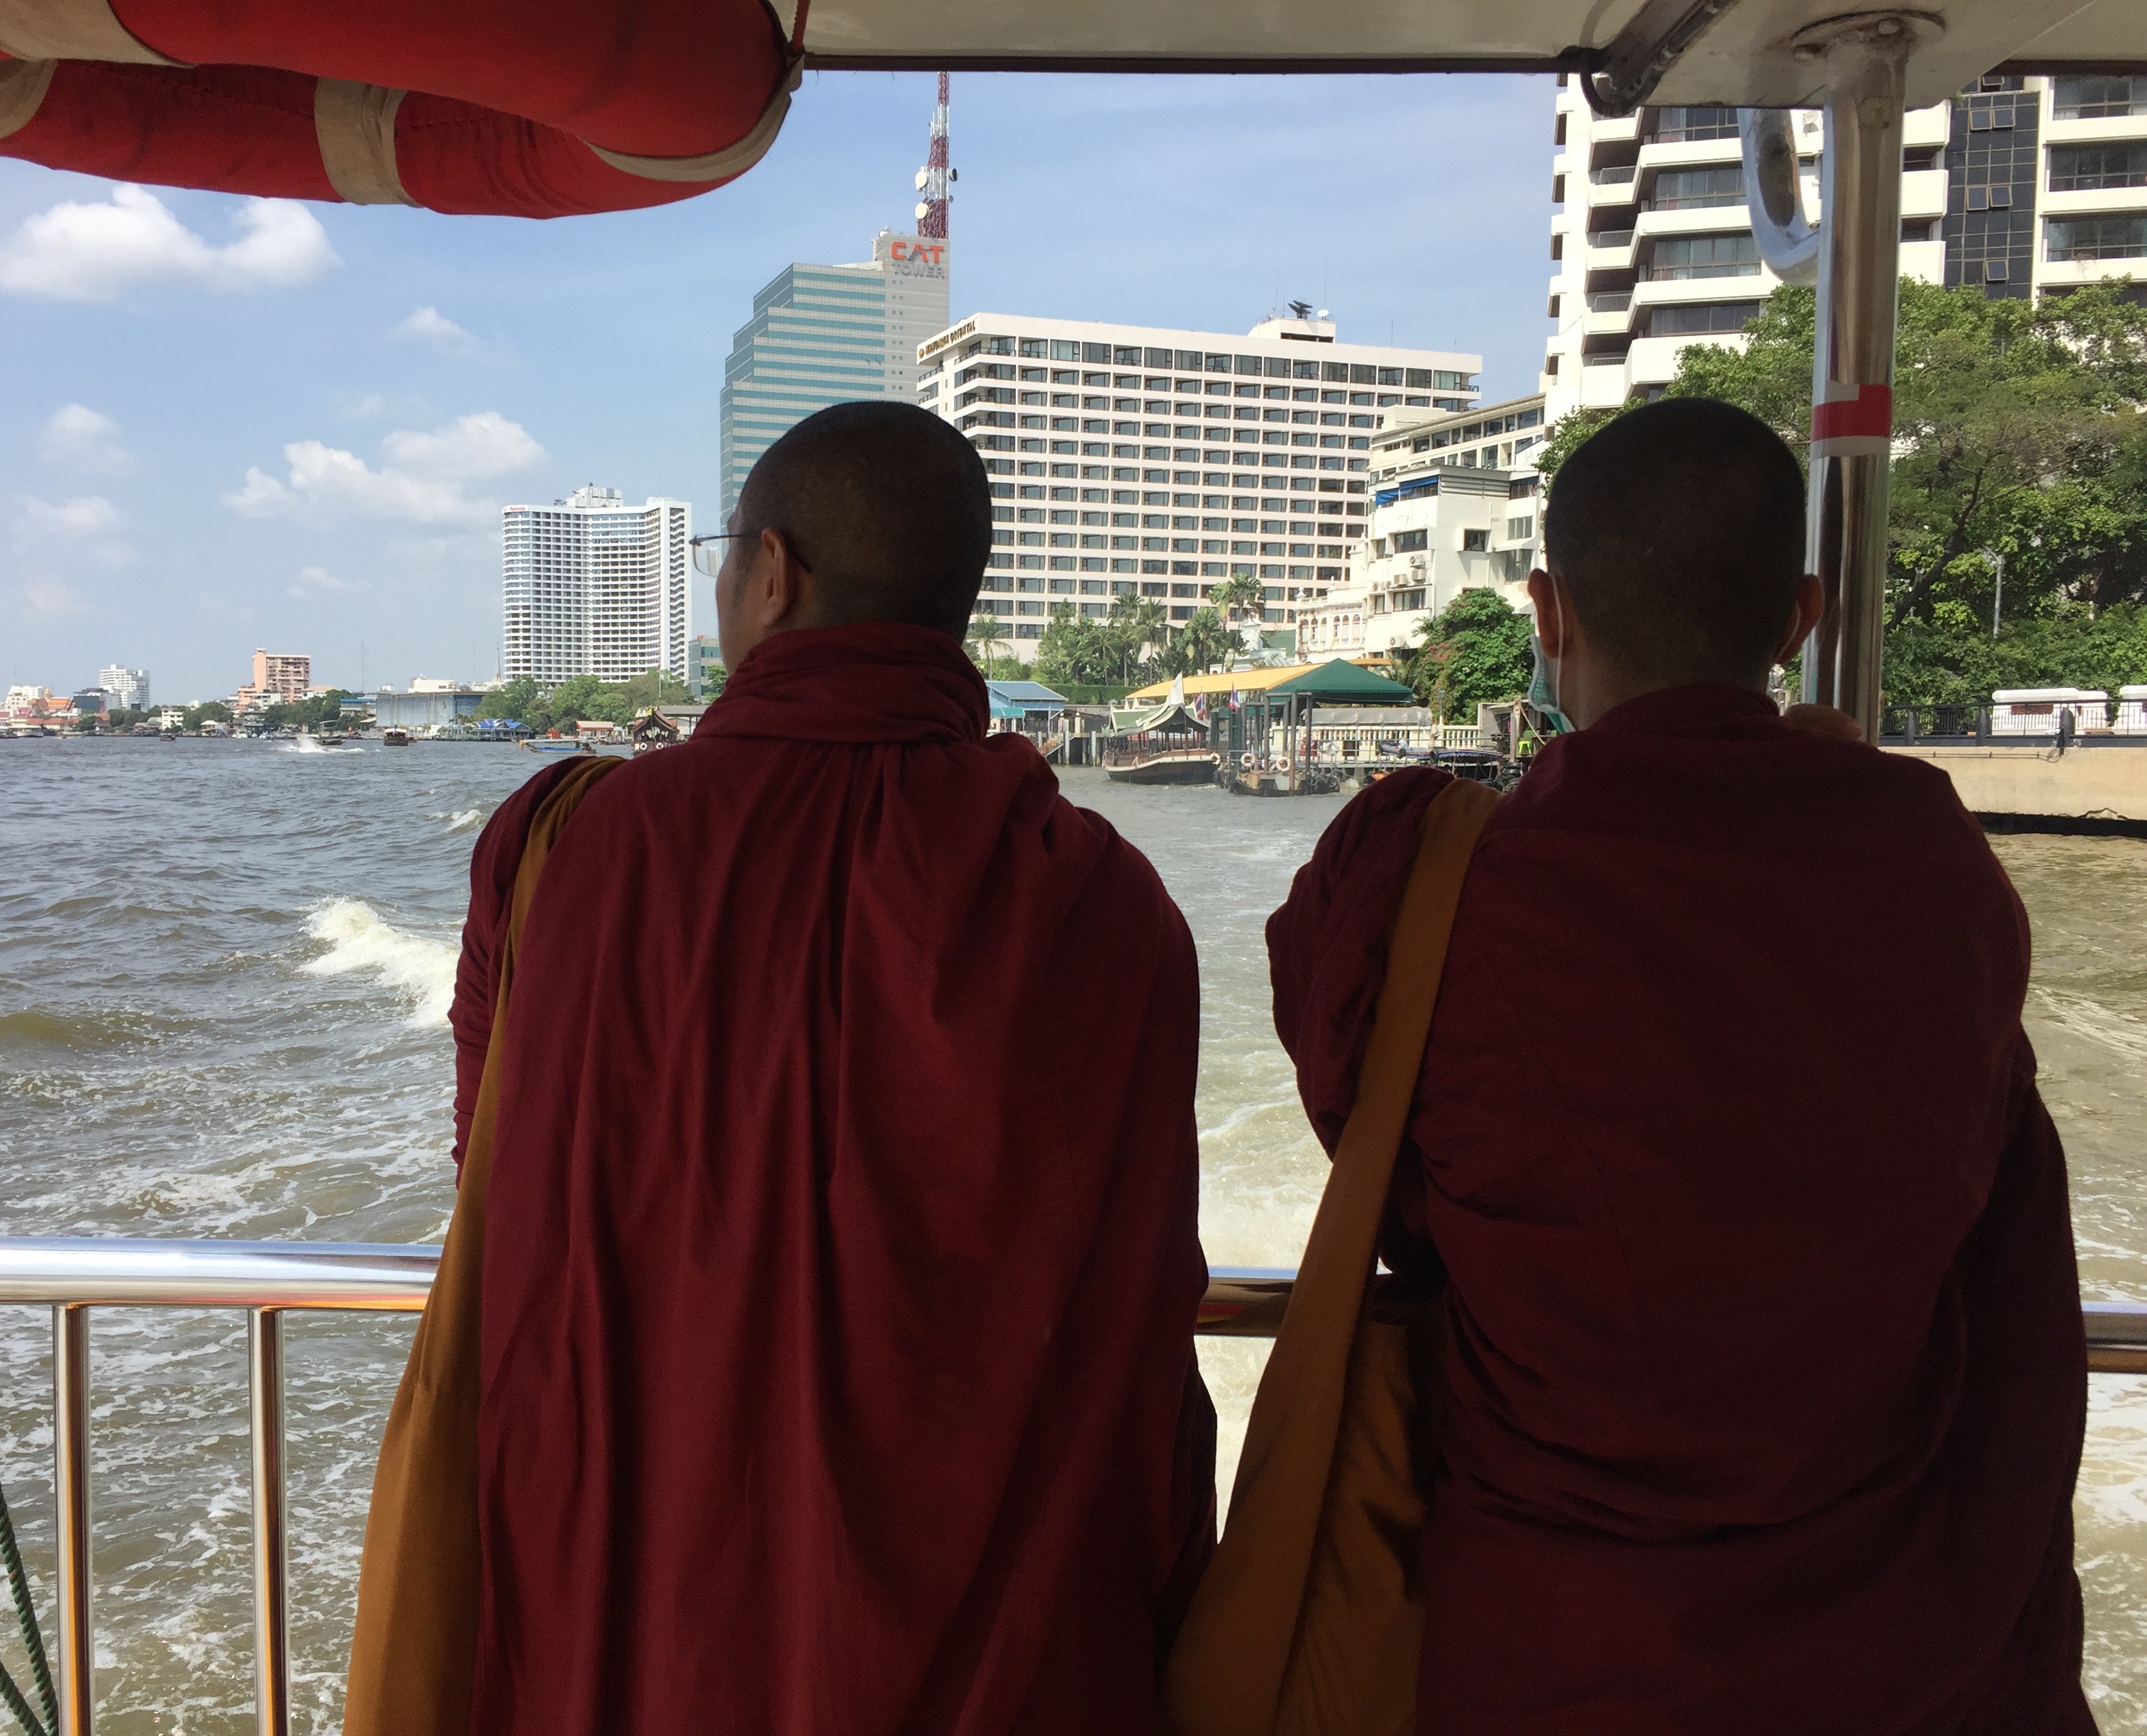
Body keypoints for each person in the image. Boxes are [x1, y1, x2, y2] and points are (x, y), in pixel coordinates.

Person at [1265, 398, 2091, 1733]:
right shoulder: (1930, 864)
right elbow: (1984, 1176)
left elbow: (1360, 1118)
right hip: (1887, 1652)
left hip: (1552, 1648)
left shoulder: (1435, 877)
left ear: (1548, 611)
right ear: (1800, 621)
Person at [448, 401, 1214, 1733]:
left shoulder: (560, 854)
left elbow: (493, 1187)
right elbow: (1140, 1283)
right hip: (1013, 1669)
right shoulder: (1102, 901)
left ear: (769, 576)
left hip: (638, 1640)